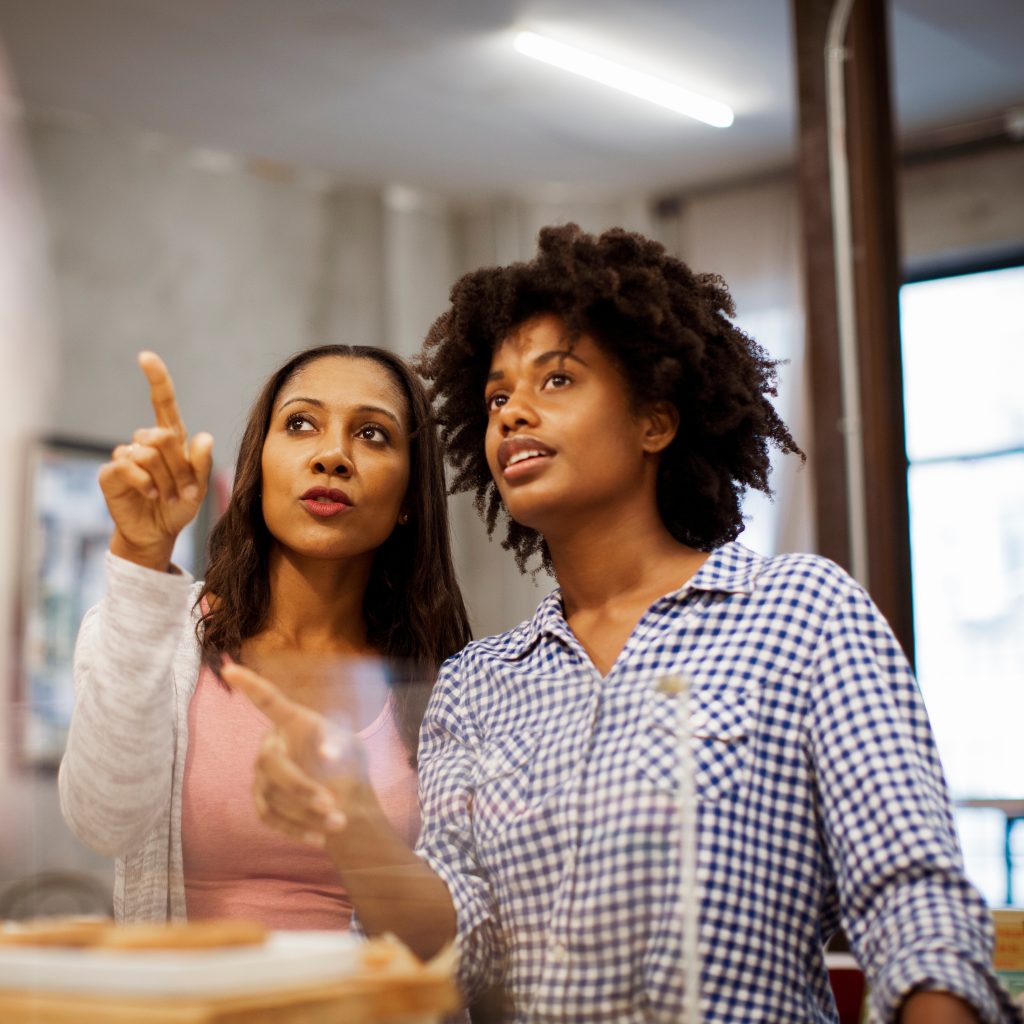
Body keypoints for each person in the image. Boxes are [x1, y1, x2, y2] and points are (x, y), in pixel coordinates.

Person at [223, 226, 1020, 1023]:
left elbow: (914, 904)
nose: (511, 415)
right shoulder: (478, 683)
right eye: (496, 396)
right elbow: (447, 953)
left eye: (557, 380)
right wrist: (356, 824)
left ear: (655, 422)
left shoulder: (802, 614)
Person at [59, 344, 471, 929]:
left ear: (409, 497)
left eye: (373, 434)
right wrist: (141, 559)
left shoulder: (451, 680)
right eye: (301, 424)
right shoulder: (159, 634)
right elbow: (102, 820)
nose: (332, 455)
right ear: (259, 465)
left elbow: (467, 936)